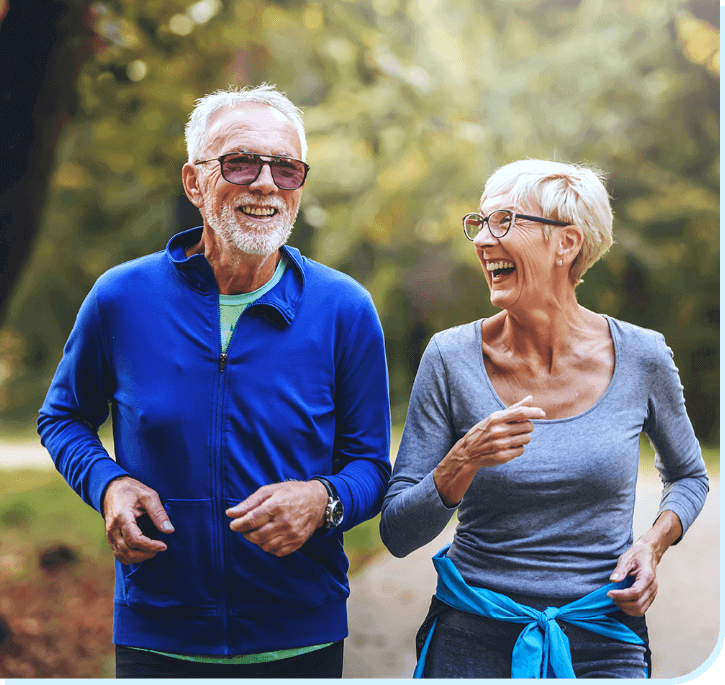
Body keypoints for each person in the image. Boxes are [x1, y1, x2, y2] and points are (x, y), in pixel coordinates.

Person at [38, 84, 391, 679]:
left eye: (286, 168)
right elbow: (63, 417)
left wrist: (322, 501)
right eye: (240, 163)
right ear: (194, 182)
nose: (265, 183)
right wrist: (109, 485)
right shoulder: (121, 299)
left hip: (300, 639)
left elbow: (371, 468)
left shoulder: (344, 309)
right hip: (159, 634)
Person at [380, 159, 708, 679]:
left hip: (605, 638)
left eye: (506, 222)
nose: (484, 240)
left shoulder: (643, 356)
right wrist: (460, 463)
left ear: (567, 243)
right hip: (471, 637)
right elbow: (397, 533)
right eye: (480, 223)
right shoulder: (449, 358)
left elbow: (689, 475)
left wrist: (652, 544)